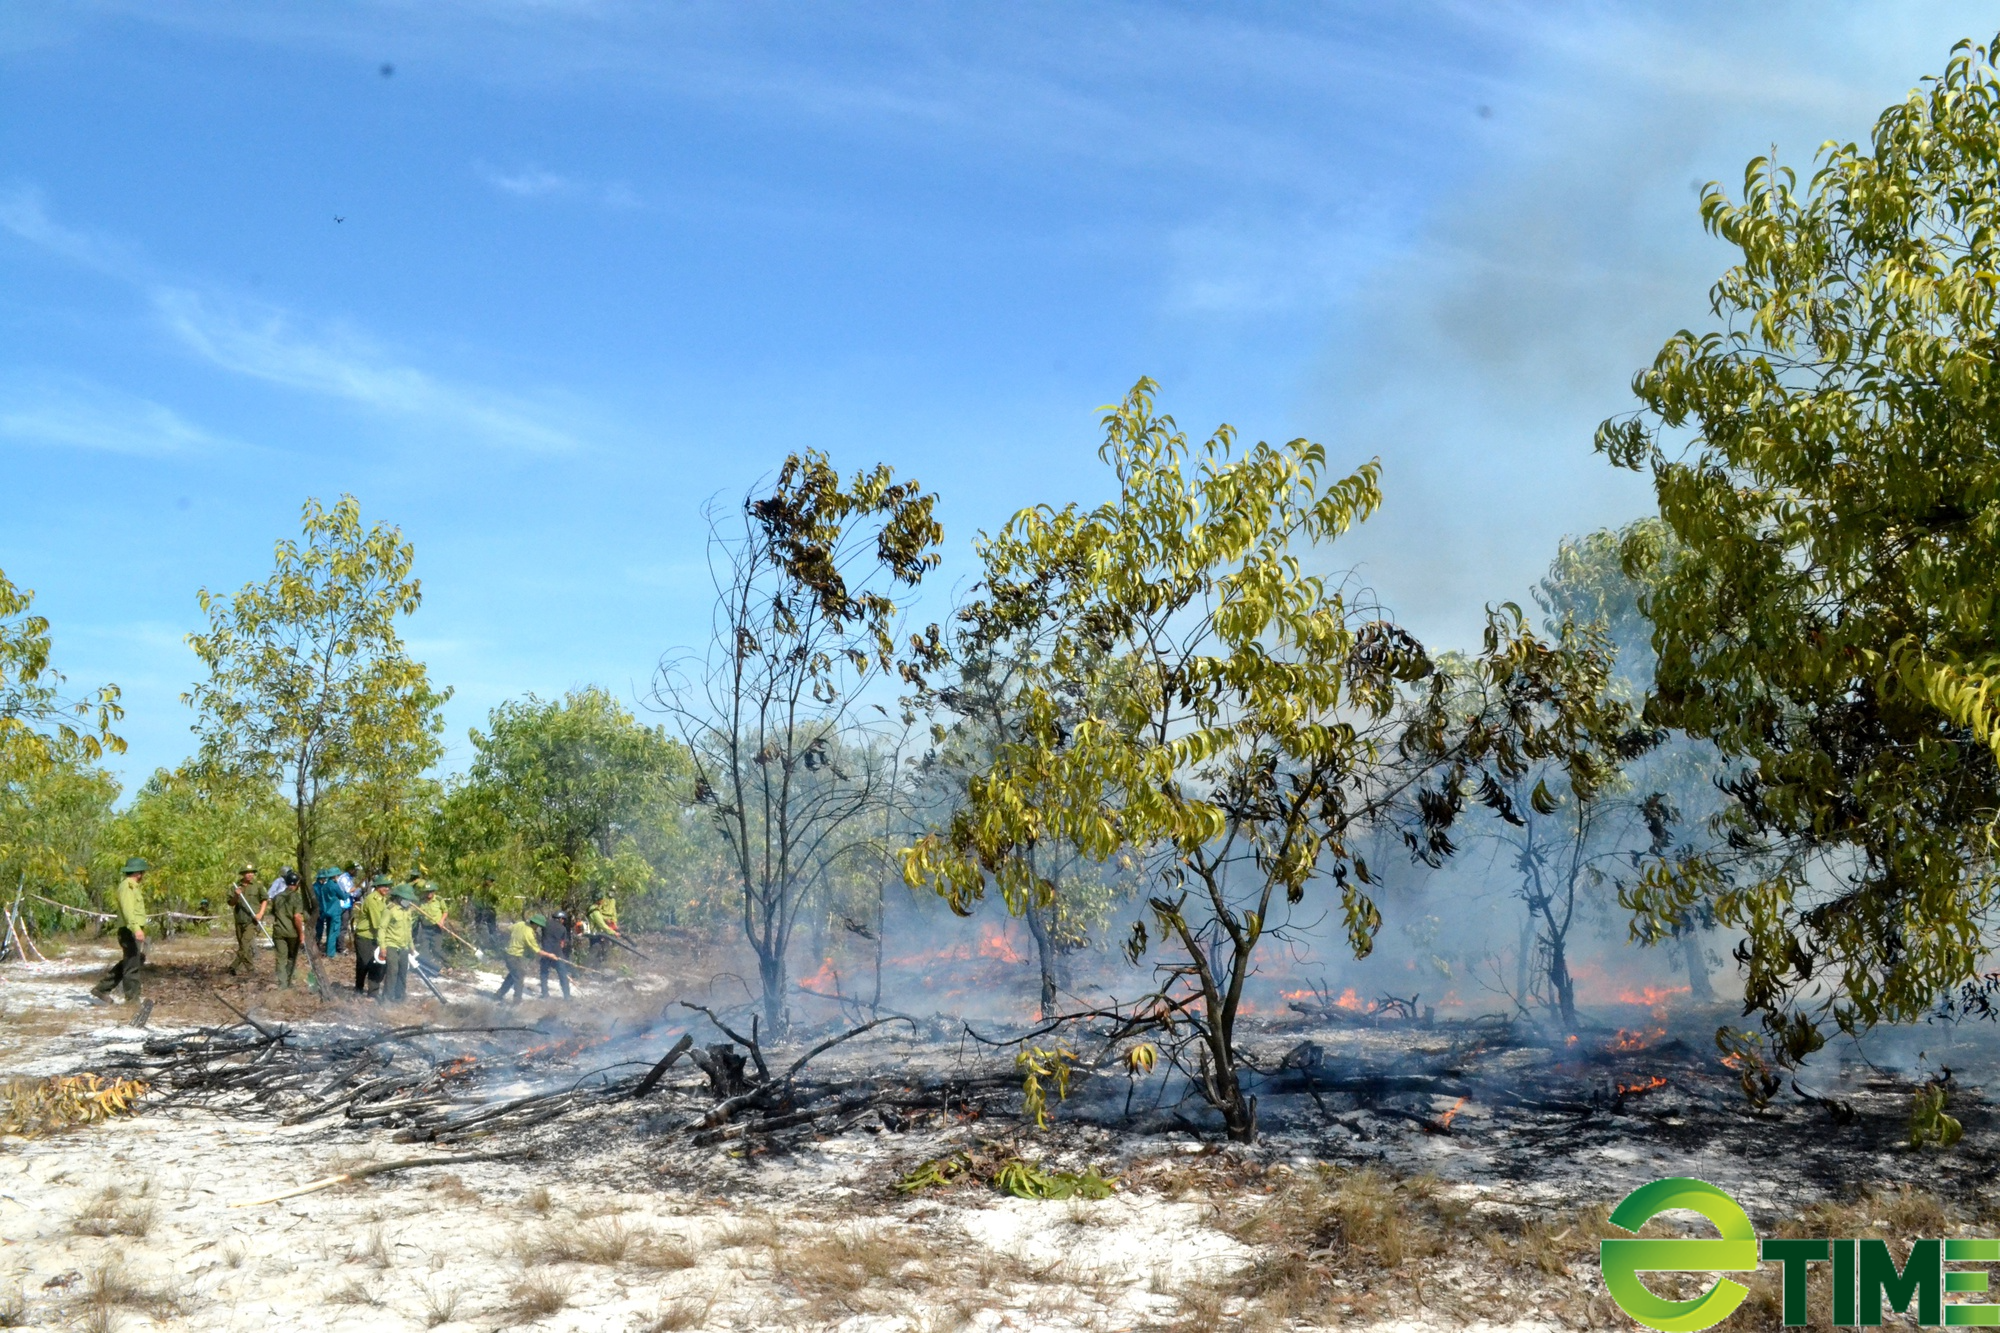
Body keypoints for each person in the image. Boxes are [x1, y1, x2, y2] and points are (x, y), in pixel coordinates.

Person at [90, 857, 150, 1005]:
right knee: (132, 967)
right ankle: (132, 1001)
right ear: (139, 873)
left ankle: (102, 988)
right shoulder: (127, 887)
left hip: (131, 928)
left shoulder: (132, 886)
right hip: (129, 930)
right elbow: (128, 910)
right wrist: (136, 929)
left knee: (131, 962)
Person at [260, 872, 309, 989]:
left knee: (281, 958)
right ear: (297, 884)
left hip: (278, 932)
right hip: (292, 933)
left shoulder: (278, 897)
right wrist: (301, 934)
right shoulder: (296, 898)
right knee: (291, 958)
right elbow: (297, 917)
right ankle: (287, 981)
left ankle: (282, 984)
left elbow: (274, 913)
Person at [496, 913, 560, 1003]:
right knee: (519, 976)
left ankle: (499, 995)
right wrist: (550, 955)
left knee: (513, 975)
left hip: (509, 954)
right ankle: (517, 1001)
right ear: (535, 924)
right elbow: (537, 951)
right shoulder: (529, 933)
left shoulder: (520, 924)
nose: (538, 928)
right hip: (514, 956)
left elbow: (508, 929)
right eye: (538, 926)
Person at [351, 874, 392, 996]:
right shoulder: (372, 900)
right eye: (384, 886)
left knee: (376, 964)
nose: (387, 889)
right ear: (378, 887)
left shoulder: (383, 900)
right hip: (365, 937)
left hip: (376, 937)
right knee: (364, 964)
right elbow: (377, 923)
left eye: (388, 886)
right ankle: (358, 989)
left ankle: (373, 992)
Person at [378, 885, 418, 1003]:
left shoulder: (408, 911)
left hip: (404, 946)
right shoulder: (390, 910)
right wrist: (382, 947)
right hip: (391, 945)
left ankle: (399, 997)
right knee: (392, 972)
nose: (409, 902)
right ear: (399, 898)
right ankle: (387, 999)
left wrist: (411, 946)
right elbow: (382, 929)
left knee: (403, 972)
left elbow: (408, 930)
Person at [227, 863, 261, 976]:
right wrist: (236, 895)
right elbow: (231, 903)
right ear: (243, 874)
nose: (250, 875)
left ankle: (233, 966)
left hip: (252, 920)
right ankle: (251, 970)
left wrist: (260, 913)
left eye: (252, 873)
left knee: (245, 943)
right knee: (243, 946)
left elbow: (265, 899)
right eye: (247, 873)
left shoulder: (258, 886)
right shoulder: (235, 886)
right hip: (239, 919)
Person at [314, 866, 351, 959]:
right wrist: (349, 893)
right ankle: (331, 953)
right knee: (333, 931)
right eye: (337, 875)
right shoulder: (334, 885)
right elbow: (342, 896)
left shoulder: (324, 886)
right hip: (335, 912)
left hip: (326, 911)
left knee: (329, 931)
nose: (338, 877)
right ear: (334, 876)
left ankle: (328, 950)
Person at [537, 909, 573, 999]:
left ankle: (545, 994)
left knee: (544, 974)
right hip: (557, 954)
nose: (563, 921)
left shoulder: (545, 924)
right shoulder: (562, 928)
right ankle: (567, 996)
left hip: (545, 953)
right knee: (563, 975)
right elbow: (562, 944)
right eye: (563, 919)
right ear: (560, 918)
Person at [414, 882, 447, 973]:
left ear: (433, 892)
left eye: (431, 891)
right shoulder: (421, 901)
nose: (429, 893)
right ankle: (427, 969)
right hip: (425, 929)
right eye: (427, 891)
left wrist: (442, 920)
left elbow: (445, 911)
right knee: (424, 951)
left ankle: (448, 965)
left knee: (437, 949)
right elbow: (418, 915)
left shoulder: (439, 900)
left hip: (436, 928)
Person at [586, 890, 620, 966]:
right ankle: (584, 970)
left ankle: (594, 971)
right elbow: (602, 925)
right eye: (602, 899)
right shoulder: (595, 911)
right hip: (595, 935)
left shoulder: (594, 909)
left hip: (597, 935)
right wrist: (614, 933)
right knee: (594, 953)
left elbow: (602, 920)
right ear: (599, 900)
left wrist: (609, 921)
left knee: (599, 953)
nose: (603, 900)